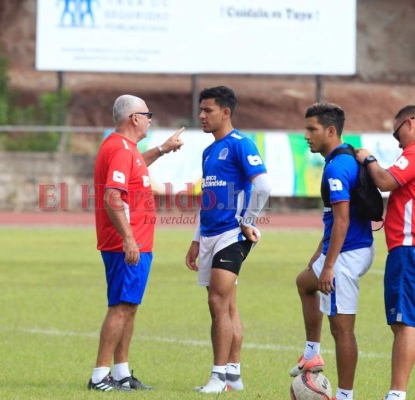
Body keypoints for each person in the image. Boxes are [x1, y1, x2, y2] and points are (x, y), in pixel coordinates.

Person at [88, 94, 184, 391]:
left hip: (137, 243)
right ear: (134, 118)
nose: (150, 119)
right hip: (125, 245)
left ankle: (121, 373)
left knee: (129, 305)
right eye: (147, 114)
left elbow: (135, 166)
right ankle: (99, 377)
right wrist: (129, 239)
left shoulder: (126, 149)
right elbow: (112, 196)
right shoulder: (119, 148)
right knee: (120, 306)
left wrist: (163, 149)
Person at [185, 86, 271, 393]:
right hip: (209, 235)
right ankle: (233, 374)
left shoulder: (240, 144)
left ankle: (218, 377)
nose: (202, 116)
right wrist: (196, 240)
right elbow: (208, 200)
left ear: (226, 112)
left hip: (231, 235)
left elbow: (262, 185)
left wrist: (247, 221)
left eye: (208, 110)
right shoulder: (209, 152)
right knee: (229, 306)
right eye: (201, 110)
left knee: (216, 301)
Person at [290, 103, 374, 400]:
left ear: (330, 130)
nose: (306, 136)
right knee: (304, 282)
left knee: (342, 329)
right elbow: (333, 216)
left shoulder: (337, 166)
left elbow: (342, 219)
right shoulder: (343, 156)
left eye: (311, 129)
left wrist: (329, 266)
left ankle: (345, 396)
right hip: (345, 249)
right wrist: (319, 252)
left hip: (347, 255)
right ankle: (312, 353)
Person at [355, 105, 415, 400]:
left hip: (407, 249)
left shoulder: (414, 152)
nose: (397, 140)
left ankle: (397, 395)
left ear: (410, 123)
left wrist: (369, 159)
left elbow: (385, 180)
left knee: (405, 324)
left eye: (397, 132)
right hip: (407, 247)